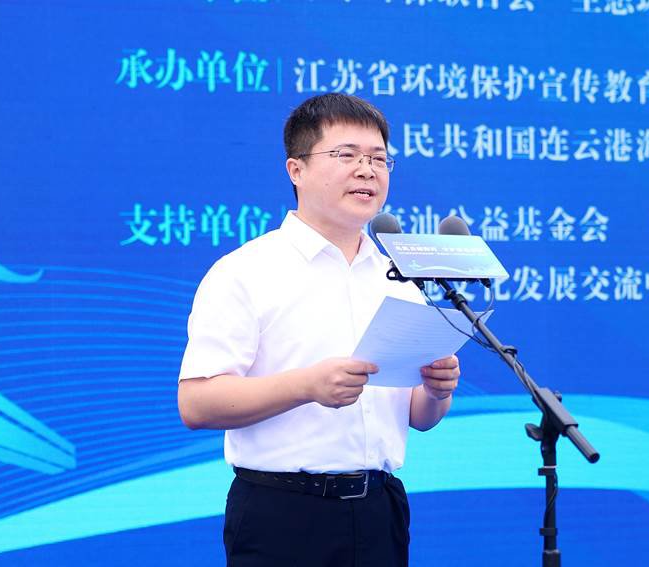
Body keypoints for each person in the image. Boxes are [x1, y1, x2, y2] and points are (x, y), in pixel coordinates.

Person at [178, 93, 460, 567]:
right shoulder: (244, 272)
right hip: (284, 513)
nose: (367, 171)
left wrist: (436, 390)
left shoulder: (398, 276)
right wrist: (306, 386)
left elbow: (419, 416)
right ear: (297, 170)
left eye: (378, 159)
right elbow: (196, 404)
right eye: (347, 155)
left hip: (380, 508)